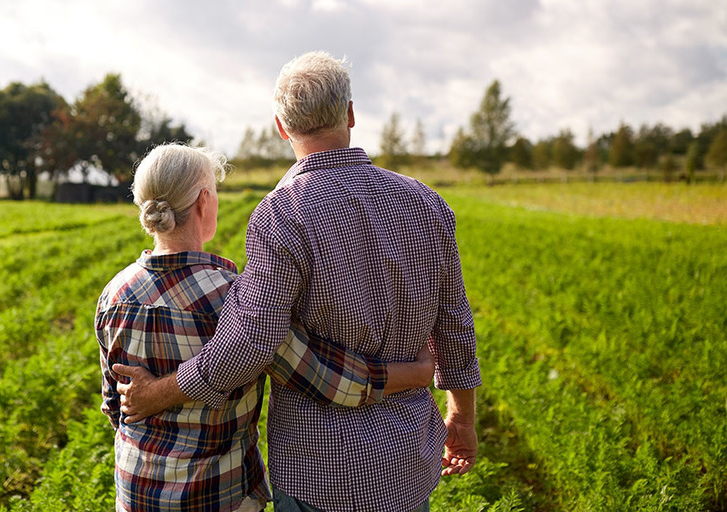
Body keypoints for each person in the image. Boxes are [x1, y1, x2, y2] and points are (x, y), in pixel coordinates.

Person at [114, 52, 482, 512]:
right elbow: (454, 328)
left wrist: (154, 393)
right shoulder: (427, 203)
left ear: (281, 127)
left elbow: (249, 345)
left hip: (319, 468)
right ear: (350, 114)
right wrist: (461, 419)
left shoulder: (281, 214)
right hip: (410, 459)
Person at [98, 143, 437, 512]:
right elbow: (324, 376)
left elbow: (115, 406)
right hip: (218, 495)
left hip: (135, 492)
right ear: (203, 203)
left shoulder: (115, 294)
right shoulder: (235, 296)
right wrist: (412, 373)